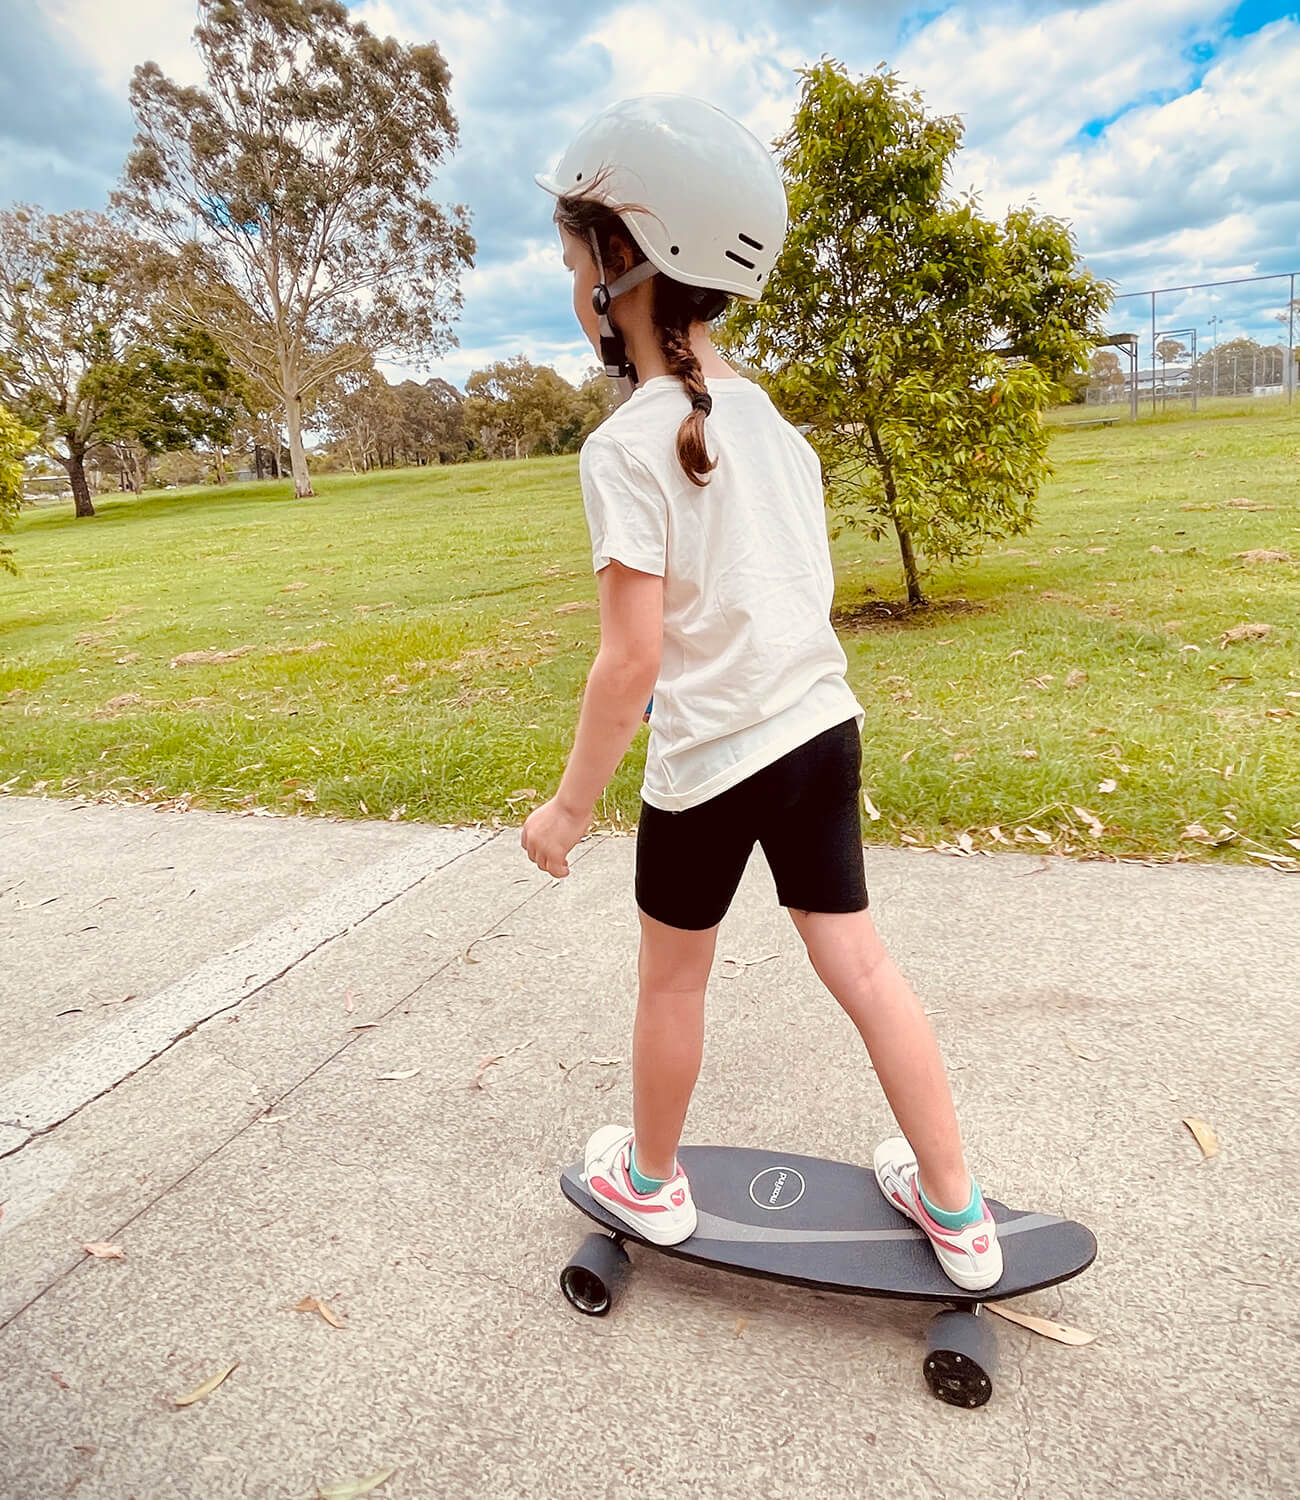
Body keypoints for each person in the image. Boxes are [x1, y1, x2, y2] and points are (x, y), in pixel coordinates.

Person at [524, 95, 1001, 1291]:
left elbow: (630, 663)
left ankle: (648, 1178)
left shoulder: (625, 446)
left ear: (621, 260)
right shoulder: (779, 430)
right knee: (864, 966)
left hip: (712, 764)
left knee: (672, 979)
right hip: (820, 732)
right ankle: (958, 1209)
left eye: (575, 249)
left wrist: (571, 807)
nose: (569, 269)